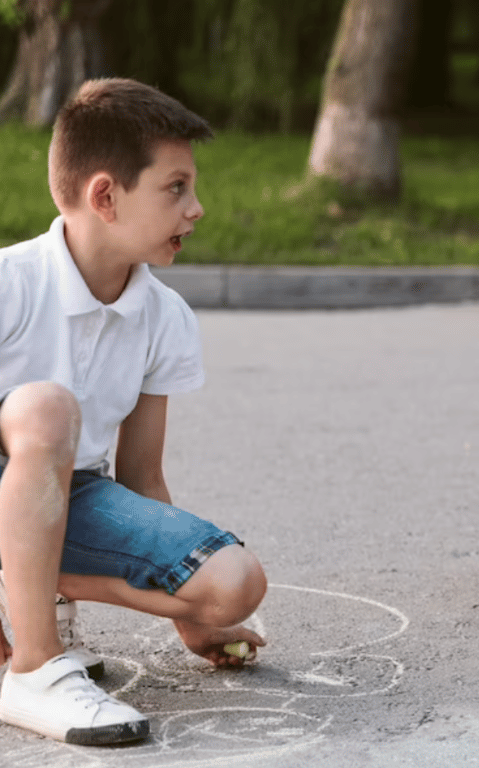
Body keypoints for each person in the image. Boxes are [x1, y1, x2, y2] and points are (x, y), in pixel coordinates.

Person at [0, 78, 268, 746]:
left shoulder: (164, 316)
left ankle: (29, 583)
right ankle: (33, 666)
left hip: (68, 497)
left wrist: (189, 607)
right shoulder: (9, 285)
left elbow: (142, 477)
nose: (197, 208)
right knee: (45, 407)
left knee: (235, 582)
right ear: (105, 197)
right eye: (175, 188)